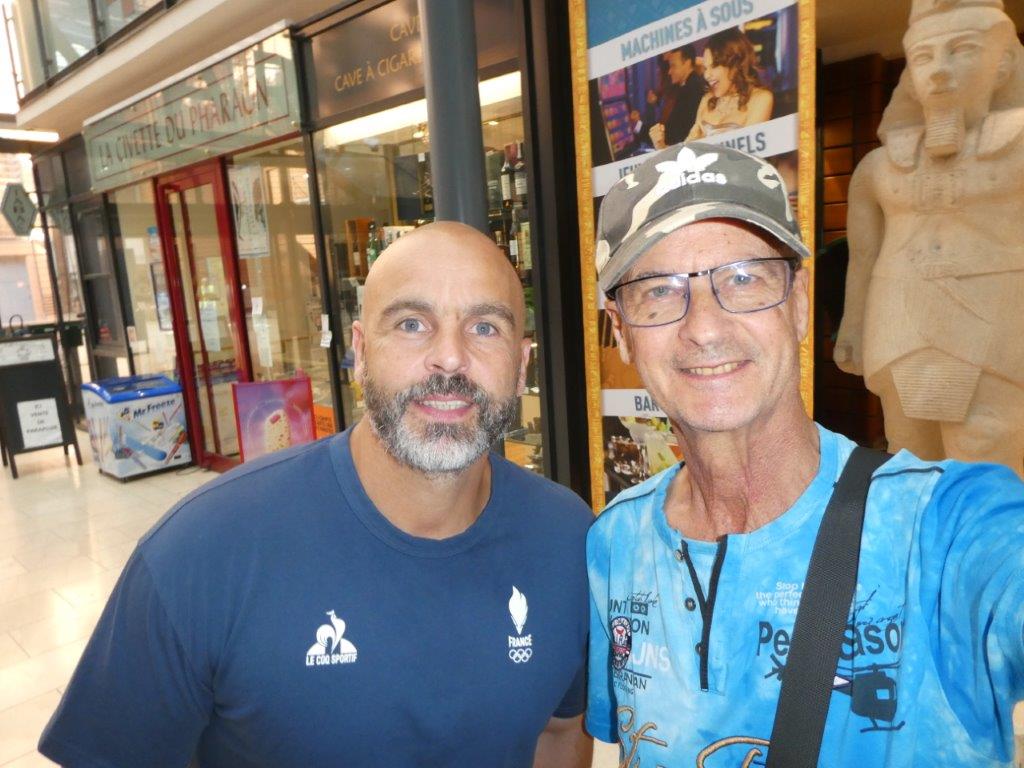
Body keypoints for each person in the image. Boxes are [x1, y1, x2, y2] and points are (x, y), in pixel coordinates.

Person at [39, 222, 594, 767]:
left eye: (485, 328)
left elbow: (561, 730)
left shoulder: (567, 537)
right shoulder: (203, 550)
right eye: (411, 323)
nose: (450, 357)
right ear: (360, 352)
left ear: (521, 366)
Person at [587, 141, 1024, 765]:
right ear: (622, 332)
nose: (704, 328)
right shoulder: (616, 540)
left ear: (797, 304)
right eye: (658, 290)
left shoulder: (943, 524)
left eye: (744, 278)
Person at [834, 0, 1024, 475]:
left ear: (1004, 62)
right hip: (902, 322)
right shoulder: (877, 168)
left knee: (986, 454)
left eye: (962, 50)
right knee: (909, 453)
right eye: (923, 57)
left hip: (995, 322)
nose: (938, 71)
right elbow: (863, 255)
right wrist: (853, 325)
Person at [686, 28, 773, 140]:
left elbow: (749, 149)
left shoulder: (761, 99)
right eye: (706, 68)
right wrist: (664, 146)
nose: (706, 75)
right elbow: (689, 144)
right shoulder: (707, 99)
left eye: (714, 66)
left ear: (735, 65)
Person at [649, 45, 706, 149]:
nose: (669, 71)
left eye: (673, 66)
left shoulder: (692, 90)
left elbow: (673, 135)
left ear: (687, 63)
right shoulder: (687, 86)